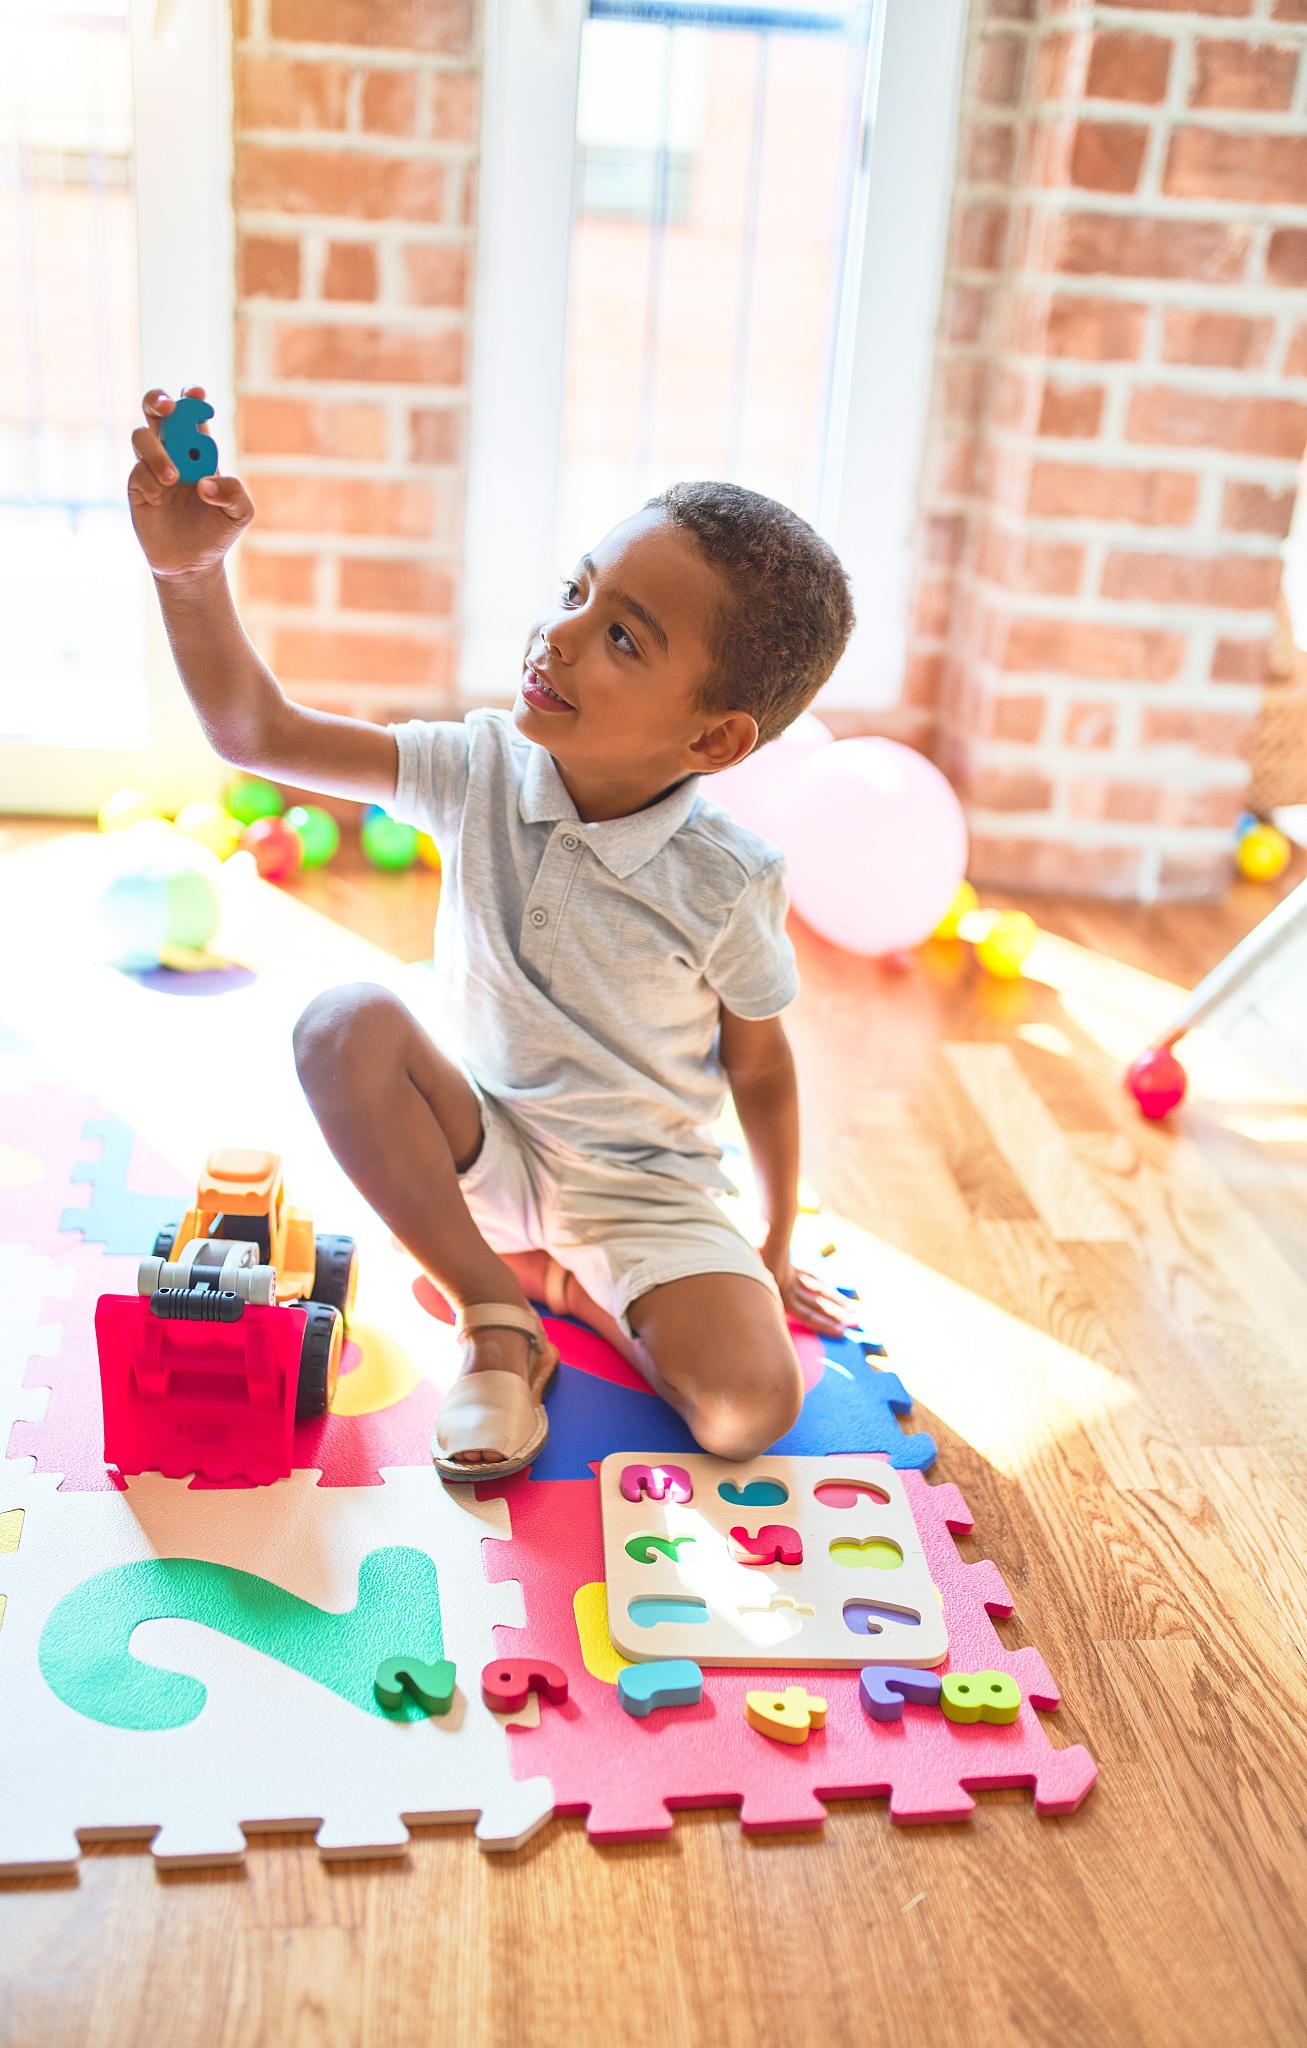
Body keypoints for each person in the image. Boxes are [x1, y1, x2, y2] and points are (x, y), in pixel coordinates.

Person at [128, 387, 855, 1481]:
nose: (555, 635)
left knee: (749, 1409)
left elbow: (763, 1065)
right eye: (577, 588)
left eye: (618, 636)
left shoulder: (729, 880)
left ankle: (568, 1278)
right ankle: (495, 1307)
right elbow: (255, 728)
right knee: (342, 1021)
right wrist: (187, 574)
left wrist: (774, 1239)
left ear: (714, 736)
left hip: (644, 1191)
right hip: (478, 1141)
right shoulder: (475, 766)